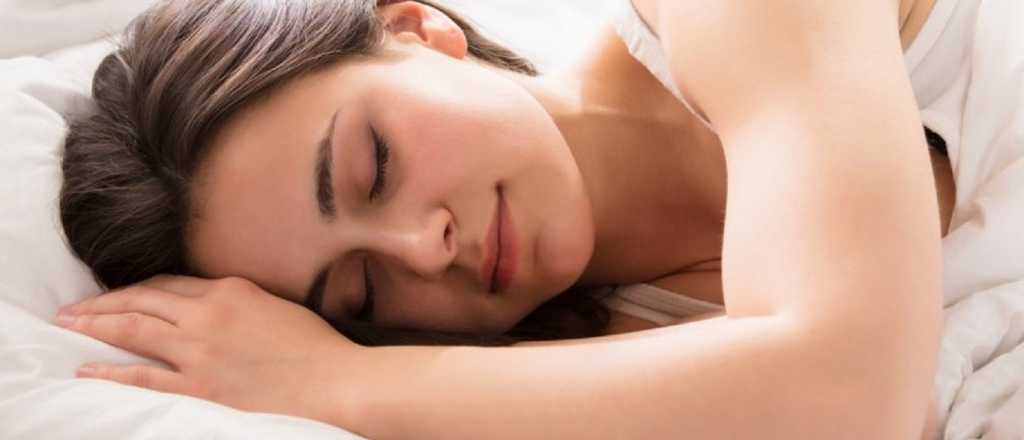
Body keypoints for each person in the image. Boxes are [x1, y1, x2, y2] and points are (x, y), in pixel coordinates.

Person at [54, 0, 963, 437]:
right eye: (361, 292)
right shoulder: (590, 376)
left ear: (415, 30)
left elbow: (852, 394)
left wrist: (332, 379)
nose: (423, 250)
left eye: (374, 167)